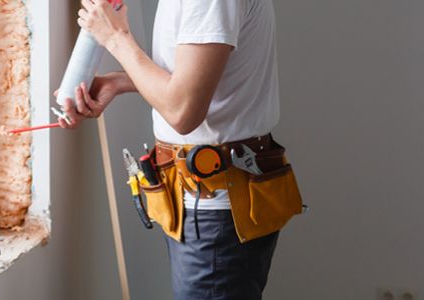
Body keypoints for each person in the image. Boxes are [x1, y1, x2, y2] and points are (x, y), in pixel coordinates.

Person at [58, 0, 289, 299]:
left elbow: (183, 112)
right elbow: (196, 81)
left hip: (216, 210)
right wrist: (120, 81)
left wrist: (115, 37)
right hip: (203, 202)